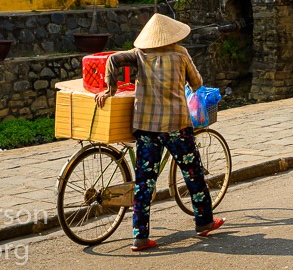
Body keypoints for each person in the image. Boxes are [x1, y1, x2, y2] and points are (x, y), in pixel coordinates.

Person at [95, 13, 225, 250]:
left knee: (144, 183)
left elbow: (113, 59)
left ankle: (140, 237)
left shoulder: (140, 55)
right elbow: (197, 84)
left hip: (145, 127)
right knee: (194, 175)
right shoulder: (181, 53)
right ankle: (204, 222)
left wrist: (109, 90)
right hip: (176, 125)